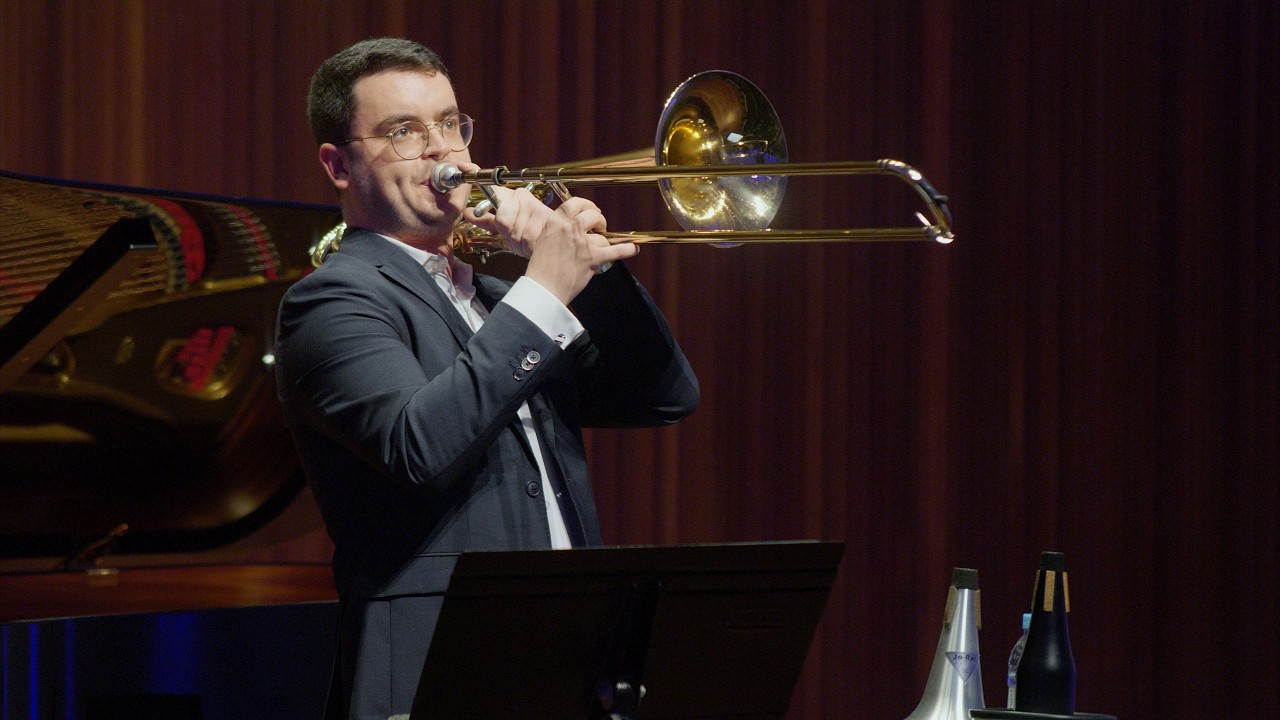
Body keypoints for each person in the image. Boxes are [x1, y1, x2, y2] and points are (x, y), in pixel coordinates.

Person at [274, 38, 699, 720]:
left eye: (451, 124)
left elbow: (662, 395)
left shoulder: (501, 301)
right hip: (432, 673)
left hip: (566, 666)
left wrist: (596, 273)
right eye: (404, 132)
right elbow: (417, 447)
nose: (444, 151)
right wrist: (544, 290)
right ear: (339, 164)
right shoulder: (331, 301)